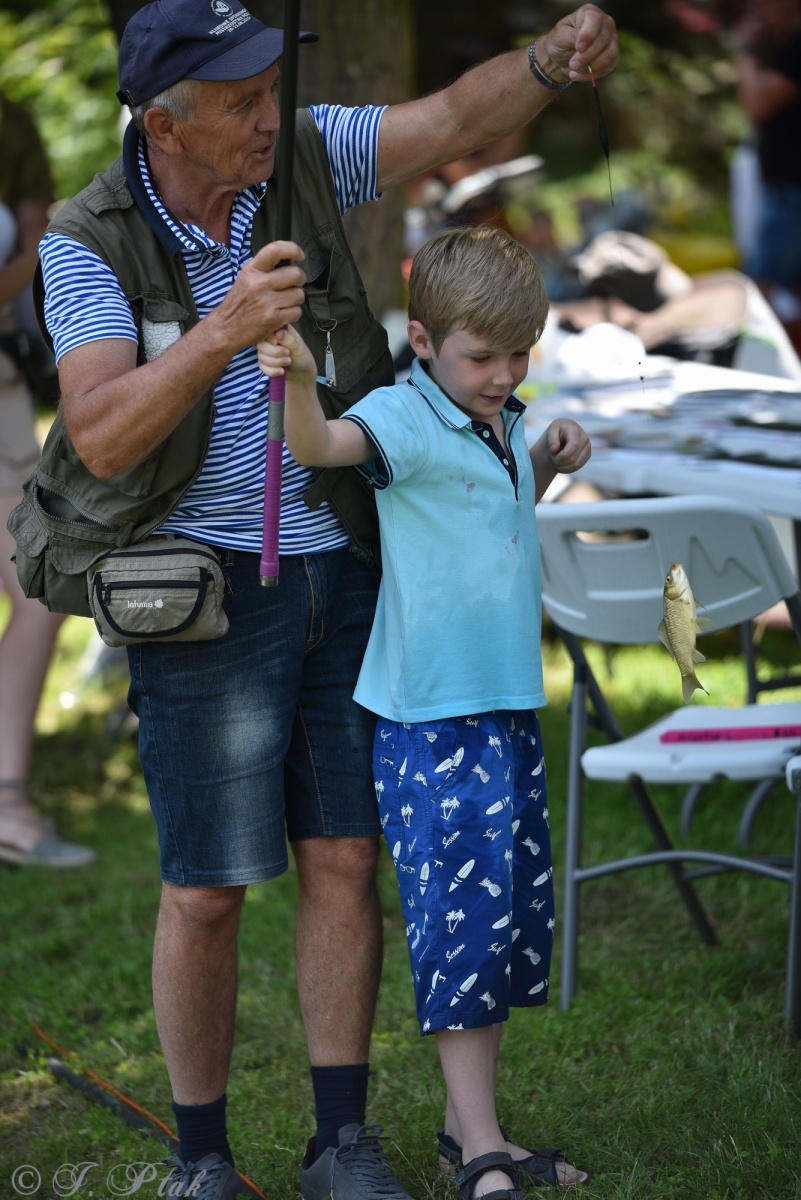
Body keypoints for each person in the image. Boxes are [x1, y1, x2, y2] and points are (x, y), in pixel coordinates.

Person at [19, 1, 618, 1195]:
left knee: (345, 858)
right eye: (241, 99)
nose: (270, 115)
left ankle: (341, 1140)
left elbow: (448, 118)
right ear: (165, 119)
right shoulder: (87, 240)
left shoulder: (294, 152)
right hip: (197, 589)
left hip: (341, 566)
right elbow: (97, 435)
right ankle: (201, 1158)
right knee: (204, 890)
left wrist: (550, 63)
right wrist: (227, 327)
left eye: (270, 89)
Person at [258, 224, 592, 1196]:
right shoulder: (404, 417)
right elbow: (321, 444)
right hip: (433, 725)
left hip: (503, 708)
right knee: (459, 929)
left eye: (519, 354)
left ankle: (464, 1131)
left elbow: (488, 505)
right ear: (422, 341)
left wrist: (552, 453)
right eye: (482, 356)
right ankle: (481, 1149)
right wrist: (297, 375)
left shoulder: (497, 417)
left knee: (505, 927)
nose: (502, 373)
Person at [0, 93, 94, 869]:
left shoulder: (11, 119)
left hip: (1, 396)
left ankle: (7, 803)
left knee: (38, 581)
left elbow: (32, 242)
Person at [735, 0, 801, 350]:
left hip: (792, 190)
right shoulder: (786, 47)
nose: (759, 11)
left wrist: (746, 48)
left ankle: (760, 359)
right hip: (785, 187)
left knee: (761, 287)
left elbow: (758, 102)